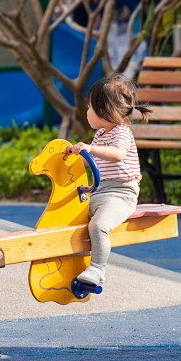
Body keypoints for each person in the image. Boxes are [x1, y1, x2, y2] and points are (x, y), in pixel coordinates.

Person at [68, 73, 151, 288]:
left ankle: (97, 269)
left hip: (121, 194)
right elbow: (93, 161)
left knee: (99, 226)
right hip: (99, 191)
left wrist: (90, 148)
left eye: (90, 108)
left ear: (107, 111)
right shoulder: (102, 134)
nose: (87, 112)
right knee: (69, 217)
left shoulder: (122, 133)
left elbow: (117, 154)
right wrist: (73, 159)